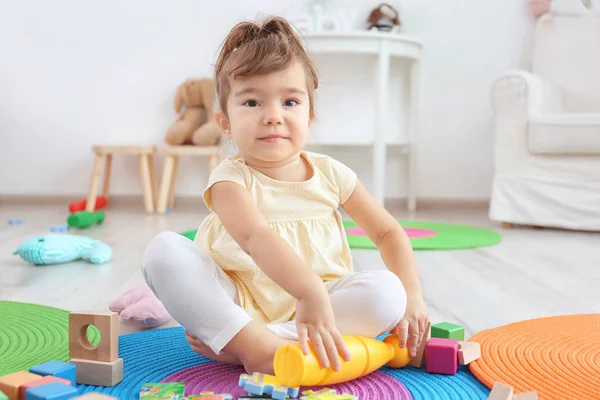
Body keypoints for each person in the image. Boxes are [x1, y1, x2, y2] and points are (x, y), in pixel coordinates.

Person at [141, 15, 429, 376]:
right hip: (239, 303)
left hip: (322, 306)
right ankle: (251, 342)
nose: (273, 116)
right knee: (163, 252)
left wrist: (414, 298)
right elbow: (255, 238)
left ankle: (254, 344)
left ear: (310, 115)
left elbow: (388, 233)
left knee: (389, 292)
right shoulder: (230, 179)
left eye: (290, 102)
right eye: (252, 103)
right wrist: (306, 290)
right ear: (225, 122)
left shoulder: (332, 174)